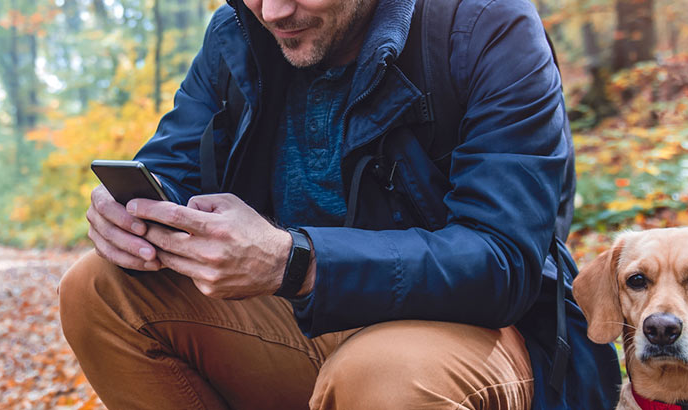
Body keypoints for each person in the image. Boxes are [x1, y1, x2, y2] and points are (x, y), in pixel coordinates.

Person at [58, 0, 623, 408]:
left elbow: (503, 262)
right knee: (100, 290)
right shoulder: (237, 31)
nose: (274, 11)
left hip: (482, 334)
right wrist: (130, 211)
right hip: (302, 325)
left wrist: (295, 261)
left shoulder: (485, 26)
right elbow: (172, 165)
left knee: (381, 376)